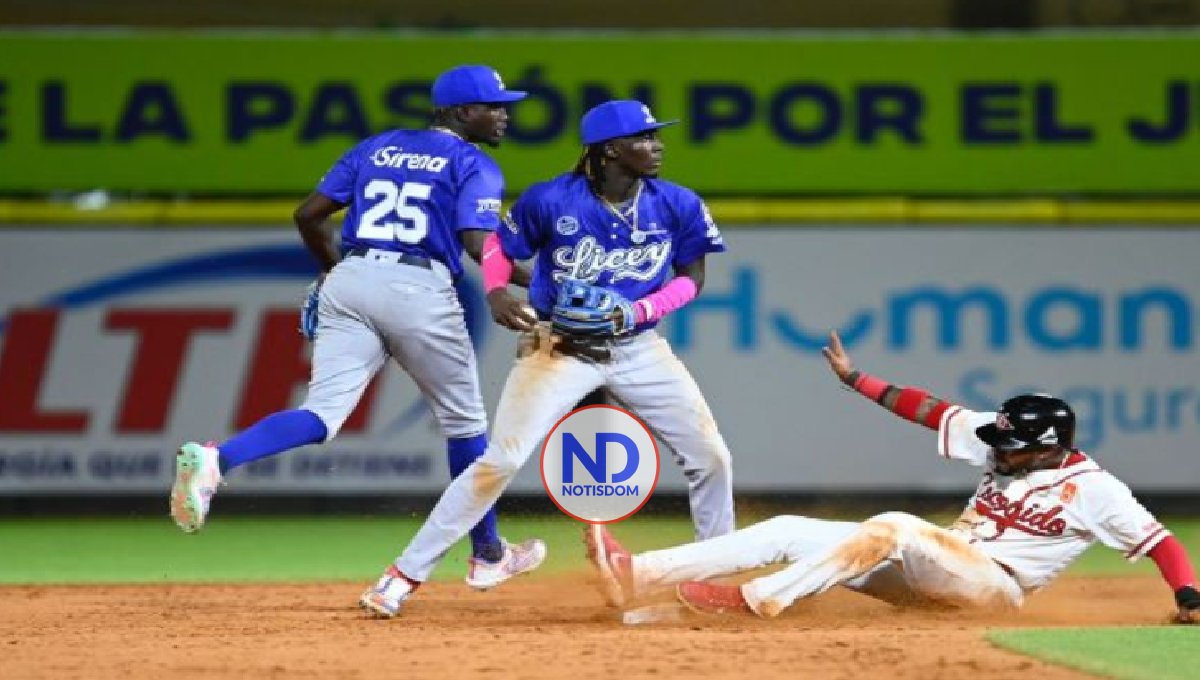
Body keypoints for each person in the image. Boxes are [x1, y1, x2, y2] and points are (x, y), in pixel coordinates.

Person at [169, 64, 546, 590]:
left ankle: (218, 459)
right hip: (419, 287)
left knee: (321, 415)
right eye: (495, 106)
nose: (504, 115)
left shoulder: (379, 146)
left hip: (350, 278)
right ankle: (486, 554)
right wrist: (536, 283)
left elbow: (308, 215)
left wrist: (333, 270)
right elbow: (481, 245)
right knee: (465, 425)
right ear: (463, 112)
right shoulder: (472, 163)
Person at [358, 99, 735, 618]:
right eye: (644, 137)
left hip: (638, 346)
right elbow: (497, 248)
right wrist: (494, 290)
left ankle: (711, 579)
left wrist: (642, 309)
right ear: (608, 150)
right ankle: (399, 579)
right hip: (557, 346)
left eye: (655, 135)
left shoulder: (677, 203)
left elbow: (692, 277)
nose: (657, 144)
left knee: (712, 458)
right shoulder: (551, 200)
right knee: (501, 461)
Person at [583, 330, 1200, 624]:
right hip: (935, 571)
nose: (996, 449)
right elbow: (932, 410)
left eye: (1009, 444)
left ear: (1045, 448)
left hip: (992, 587)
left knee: (897, 524)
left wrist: (1189, 596)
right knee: (791, 528)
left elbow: (1160, 542)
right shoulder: (1005, 443)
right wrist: (858, 381)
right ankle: (639, 574)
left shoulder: (1096, 488)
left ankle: (758, 599)